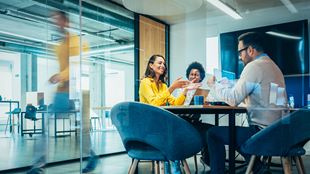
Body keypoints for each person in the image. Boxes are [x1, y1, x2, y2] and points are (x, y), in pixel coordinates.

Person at [206, 32, 288, 174]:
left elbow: (232, 99)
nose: (239, 57)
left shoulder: (254, 66)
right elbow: (272, 100)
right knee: (237, 133)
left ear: (250, 50)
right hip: (279, 131)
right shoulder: (275, 68)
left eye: (240, 52)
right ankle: (257, 167)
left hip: (263, 134)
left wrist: (214, 85)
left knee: (213, 133)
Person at [27, 11, 97, 174]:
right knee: (46, 122)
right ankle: (38, 164)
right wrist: (57, 76)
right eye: (53, 20)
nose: (55, 23)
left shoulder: (78, 42)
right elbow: (65, 67)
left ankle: (91, 155)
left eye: (57, 20)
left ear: (66, 22)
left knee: (83, 129)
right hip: (63, 92)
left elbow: (77, 66)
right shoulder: (59, 46)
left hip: (78, 91)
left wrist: (61, 75)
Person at [139, 54, 192, 174]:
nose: (162, 65)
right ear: (151, 65)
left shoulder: (163, 86)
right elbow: (154, 103)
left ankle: (173, 167)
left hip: (161, 125)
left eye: (163, 63)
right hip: (149, 127)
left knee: (176, 132)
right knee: (173, 134)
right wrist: (172, 88)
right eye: (159, 63)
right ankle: (174, 168)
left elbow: (175, 103)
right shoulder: (145, 82)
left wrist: (185, 91)